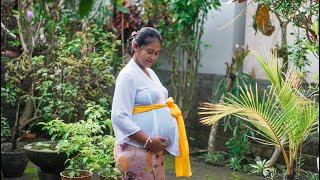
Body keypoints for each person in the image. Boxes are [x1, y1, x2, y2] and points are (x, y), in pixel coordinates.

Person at [111, 27, 191, 179]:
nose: (153, 57)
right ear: (136, 47)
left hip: (153, 150)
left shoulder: (150, 73)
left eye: (156, 53)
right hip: (137, 149)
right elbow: (119, 116)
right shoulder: (128, 75)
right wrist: (148, 141)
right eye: (149, 51)